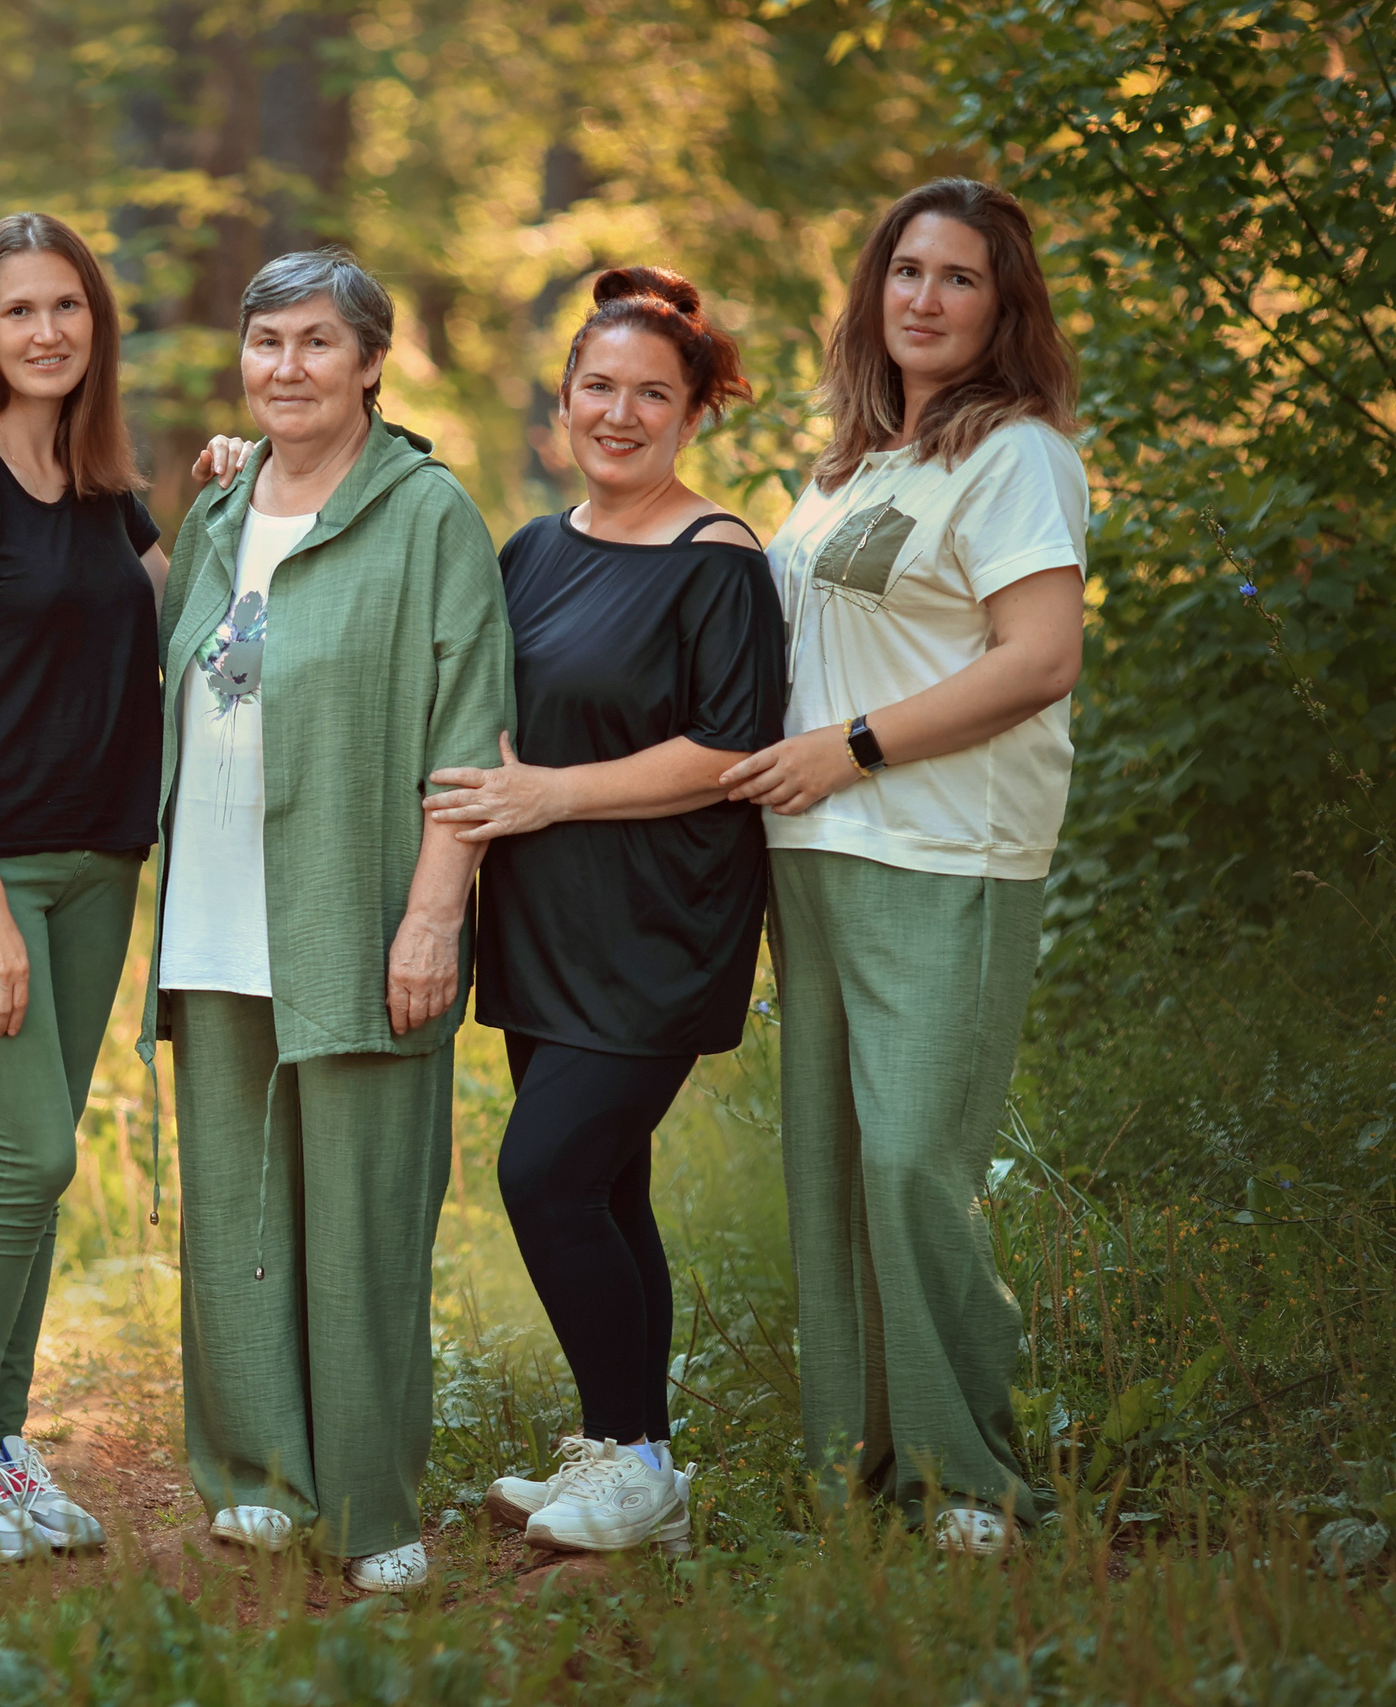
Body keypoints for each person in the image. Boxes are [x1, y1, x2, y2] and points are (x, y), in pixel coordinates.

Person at [718, 179, 1087, 1557]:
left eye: (960, 278)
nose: (925, 298)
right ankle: (857, 1462)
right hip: (812, 850)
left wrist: (851, 748)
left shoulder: (1020, 458)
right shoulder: (855, 465)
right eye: (907, 272)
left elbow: (1039, 660)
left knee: (919, 1167)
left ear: (1005, 309)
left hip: (945, 850)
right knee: (834, 1168)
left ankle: (970, 1474)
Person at [0, 213, 250, 1564]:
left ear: (95, 328)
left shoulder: (101, 486)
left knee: (44, 1168)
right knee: (26, 1152)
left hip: (100, 865)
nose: (46, 330)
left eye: (69, 309)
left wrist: (239, 499)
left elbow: (187, 622)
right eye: (19, 308)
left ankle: (1, 1443)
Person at [140, 247, 513, 1595]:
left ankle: (368, 1502)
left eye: (313, 344)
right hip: (216, 913)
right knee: (235, 1210)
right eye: (264, 343)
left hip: (357, 914)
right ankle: (255, 1475)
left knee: (360, 1215)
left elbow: (471, 735)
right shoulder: (219, 512)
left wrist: (432, 916)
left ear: (369, 364)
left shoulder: (427, 517)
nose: (284, 368)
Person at [422, 267, 784, 1556]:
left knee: (545, 1175)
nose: (619, 414)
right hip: (545, 921)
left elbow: (727, 752)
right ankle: (632, 1459)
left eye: (651, 394)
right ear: (562, 399)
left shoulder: (719, 560)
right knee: (608, 1190)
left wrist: (548, 797)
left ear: (694, 413)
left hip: (658, 927)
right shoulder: (531, 548)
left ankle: (636, 1459)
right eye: (598, 389)